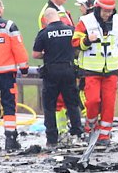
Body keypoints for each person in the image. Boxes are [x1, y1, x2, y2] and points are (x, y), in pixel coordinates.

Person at [71, 0, 118, 145]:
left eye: (110, 11)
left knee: (109, 103)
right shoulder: (85, 21)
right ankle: (91, 127)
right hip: (91, 69)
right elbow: (75, 43)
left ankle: (104, 135)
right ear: (97, 8)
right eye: (105, 11)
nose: (107, 14)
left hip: (112, 69)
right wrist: (87, 40)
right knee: (93, 101)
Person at [32, 8, 82, 148]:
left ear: (46, 19)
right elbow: (78, 48)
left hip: (51, 71)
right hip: (68, 70)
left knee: (49, 106)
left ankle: (52, 139)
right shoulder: (71, 30)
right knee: (72, 104)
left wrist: (47, 54)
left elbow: (35, 54)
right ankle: (77, 134)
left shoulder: (44, 33)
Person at [38, 0, 74, 136]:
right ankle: (61, 130)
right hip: (56, 63)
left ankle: (68, 128)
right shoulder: (48, 13)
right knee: (58, 100)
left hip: (67, 62)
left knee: (69, 100)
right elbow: (47, 39)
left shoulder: (62, 10)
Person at [0, 0, 30, 151]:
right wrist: (25, 68)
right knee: (9, 106)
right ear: (0, 9)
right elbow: (19, 49)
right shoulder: (9, 26)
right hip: (7, 75)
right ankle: (10, 140)